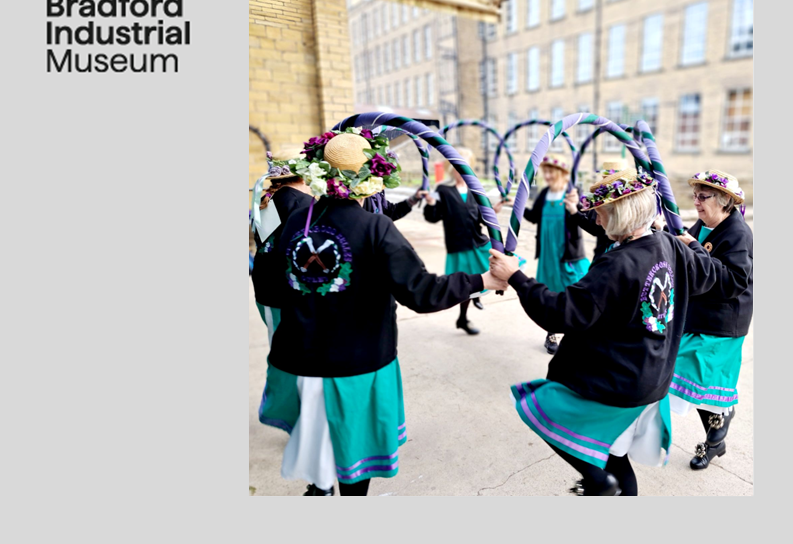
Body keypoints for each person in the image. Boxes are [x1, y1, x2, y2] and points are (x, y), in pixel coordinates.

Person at [258, 128, 507, 496]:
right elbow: (421, 292)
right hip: (356, 370)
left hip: (300, 364)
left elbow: (269, 287)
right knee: (353, 466)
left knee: (320, 446)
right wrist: (483, 280)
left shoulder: (295, 222)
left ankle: (319, 489)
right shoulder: (375, 227)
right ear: (372, 180)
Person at [489, 165, 717, 496]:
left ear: (621, 215)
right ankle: (607, 487)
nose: (595, 221)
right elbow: (707, 276)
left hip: (617, 381)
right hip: (649, 375)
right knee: (612, 455)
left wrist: (516, 277)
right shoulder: (668, 244)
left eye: (601, 213)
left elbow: (559, 313)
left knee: (538, 406)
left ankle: (598, 482)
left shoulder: (620, 263)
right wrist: (690, 243)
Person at [670, 171, 752, 470]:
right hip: (700, 316)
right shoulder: (705, 224)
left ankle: (717, 432)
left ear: (725, 202)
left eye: (703, 197)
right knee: (697, 385)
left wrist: (691, 247)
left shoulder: (738, 234)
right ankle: (718, 430)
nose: (697, 202)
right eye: (696, 196)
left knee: (690, 376)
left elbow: (734, 281)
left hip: (722, 323)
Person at [422, 147, 505, 335]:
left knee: (501, 261)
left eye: (465, 166)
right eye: (457, 166)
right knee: (464, 284)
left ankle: (481, 294)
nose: (461, 170)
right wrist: (430, 204)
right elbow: (433, 217)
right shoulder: (443, 189)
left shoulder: (475, 190)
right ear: (451, 168)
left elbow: (483, 217)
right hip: (459, 246)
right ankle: (463, 317)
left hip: (478, 241)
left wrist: (495, 210)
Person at [522, 155, 589, 354]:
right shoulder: (544, 194)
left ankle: (576, 331)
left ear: (561, 173)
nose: (548, 175)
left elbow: (586, 217)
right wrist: (516, 207)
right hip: (548, 253)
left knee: (575, 287)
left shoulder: (572, 193)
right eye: (546, 172)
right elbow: (533, 217)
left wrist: (577, 206)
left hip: (568, 252)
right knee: (550, 291)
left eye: (552, 172)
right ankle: (551, 333)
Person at [250, 155, 313, 341]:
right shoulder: (304, 204)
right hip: (288, 293)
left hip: (267, 287)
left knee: (282, 347)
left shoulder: (268, 198)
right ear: (305, 175)